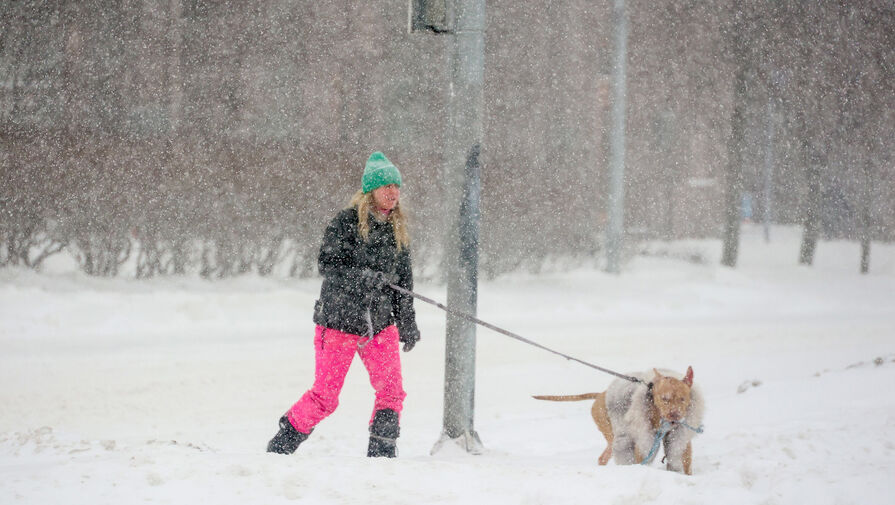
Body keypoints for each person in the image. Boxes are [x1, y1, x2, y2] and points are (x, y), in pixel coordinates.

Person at [267, 151, 421, 458]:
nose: (392, 192)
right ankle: (279, 449)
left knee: (392, 393)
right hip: (338, 322)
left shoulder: (397, 230)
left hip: (380, 325)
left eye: (396, 186)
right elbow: (329, 264)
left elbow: (403, 283)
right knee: (325, 397)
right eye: (385, 186)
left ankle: (381, 458)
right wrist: (361, 277)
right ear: (371, 190)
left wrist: (407, 322)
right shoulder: (346, 222)